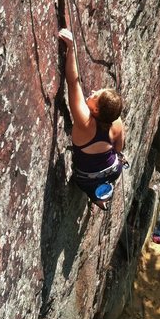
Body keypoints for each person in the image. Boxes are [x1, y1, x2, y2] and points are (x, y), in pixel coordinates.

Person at [58, 28, 125, 209]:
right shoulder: (117, 122)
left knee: (90, 187)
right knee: (100, 183)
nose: (94, 92)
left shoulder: (85, 122)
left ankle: (98, 198)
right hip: (114, 169)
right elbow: (118, 148)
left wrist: (71, 48)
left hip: (87, 178)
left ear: (95, 108)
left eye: (96, 95)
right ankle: (101, 198)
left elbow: (73, 82)